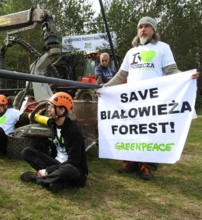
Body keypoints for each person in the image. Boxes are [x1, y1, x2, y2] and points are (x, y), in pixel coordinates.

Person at [100, 16, 200, 180]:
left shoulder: (163, 48)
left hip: (153, 100)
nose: (143, 29)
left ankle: (147, 166)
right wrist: (105, 88)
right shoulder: (131, 52)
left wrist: (185, 76)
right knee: (131, 130)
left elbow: (171, 70)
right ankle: (130, 161)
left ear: (153, 31)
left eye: (147, 26)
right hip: (132, 101)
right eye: (140, 27)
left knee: (151, 133)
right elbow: (121, 75)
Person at [20, 92, 88, 193]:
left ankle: (37, 178)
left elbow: (74, 162)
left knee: (69, 169)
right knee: (27, 152)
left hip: (73, 168)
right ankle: (56, 182)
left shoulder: (73, 132)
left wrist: (47, 171)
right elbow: (44, 120)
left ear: (61, 110)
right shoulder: (54, 123)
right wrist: (28, 115)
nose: (48, 110)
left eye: (51, 107)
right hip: (56, 164)